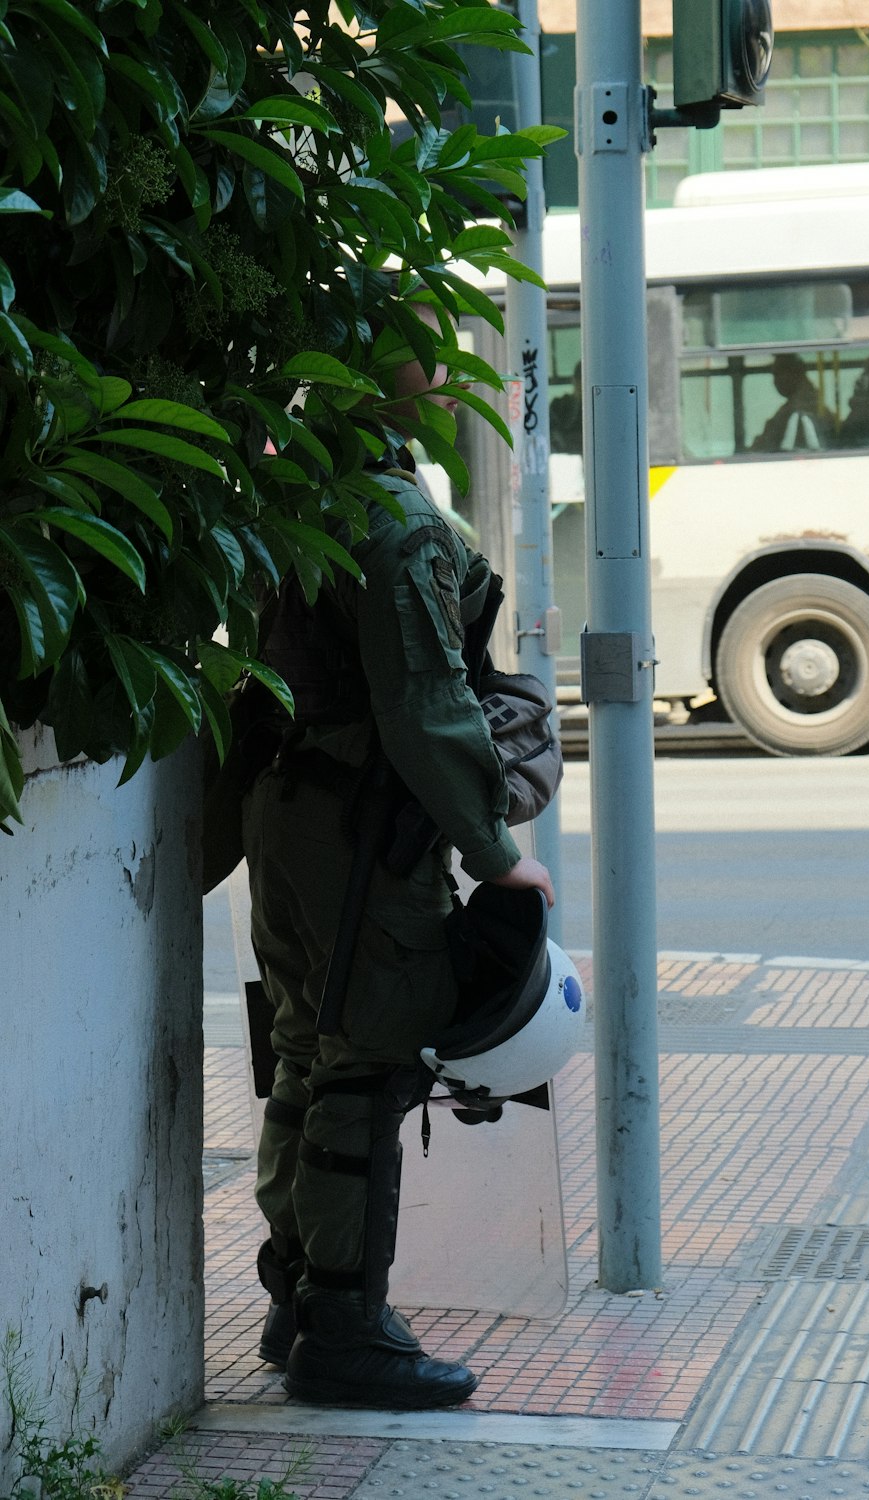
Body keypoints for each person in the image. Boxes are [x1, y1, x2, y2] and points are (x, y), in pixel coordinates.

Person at [241, 299, 555, 1410]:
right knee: (365, 1066)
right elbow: (427, 709)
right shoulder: (397, 517)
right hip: (363, 836)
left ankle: (299, 1294)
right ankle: (345, 1329)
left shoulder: (292, 496)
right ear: (397, 375)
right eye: (430, 351)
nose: (443, 369)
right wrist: (497, 851)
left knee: (300, 1053)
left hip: (290, 819)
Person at [750, 352, 830, 453]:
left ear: (793, 374)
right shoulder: (799, 405)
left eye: (777, 374)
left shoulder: (800, 410)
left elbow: (767, 445)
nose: (775, 381)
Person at [549, 361, 583, 454]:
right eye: (579, 380)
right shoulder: (559, 405)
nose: (581, 385)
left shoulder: (597, 412)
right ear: (574, 381)